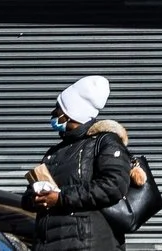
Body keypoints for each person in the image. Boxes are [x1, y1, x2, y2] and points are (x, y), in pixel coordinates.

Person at [29, 76, 134, 251]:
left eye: (58, 109)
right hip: (49, 242)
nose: (53, 114)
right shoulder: (55, 153)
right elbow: (29, 196)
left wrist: (60, 198)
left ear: (70, 113)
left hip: (87, 243)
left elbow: (113, 186)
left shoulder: (105, 142)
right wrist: (35, 198)